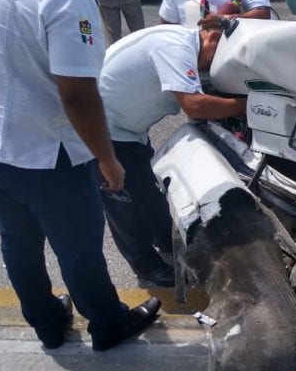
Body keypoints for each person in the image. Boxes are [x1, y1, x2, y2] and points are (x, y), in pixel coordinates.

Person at [0, 0, 160, 352]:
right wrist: (108, 160)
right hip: (49, 152)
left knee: (17, 238)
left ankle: (46, 322)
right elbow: (78, 95)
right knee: (79, 246)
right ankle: (107, 324)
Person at [98, 24, 247, 286]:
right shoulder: (175, 47)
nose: (211, 69)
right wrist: (248, 105)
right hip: (104, 132)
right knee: (125, 205)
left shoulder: (182, 41)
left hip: (126, 129)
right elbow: (195, 106)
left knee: (149, 192)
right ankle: (147, 269)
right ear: (212, 37)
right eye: (216, 59)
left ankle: (166, 243)